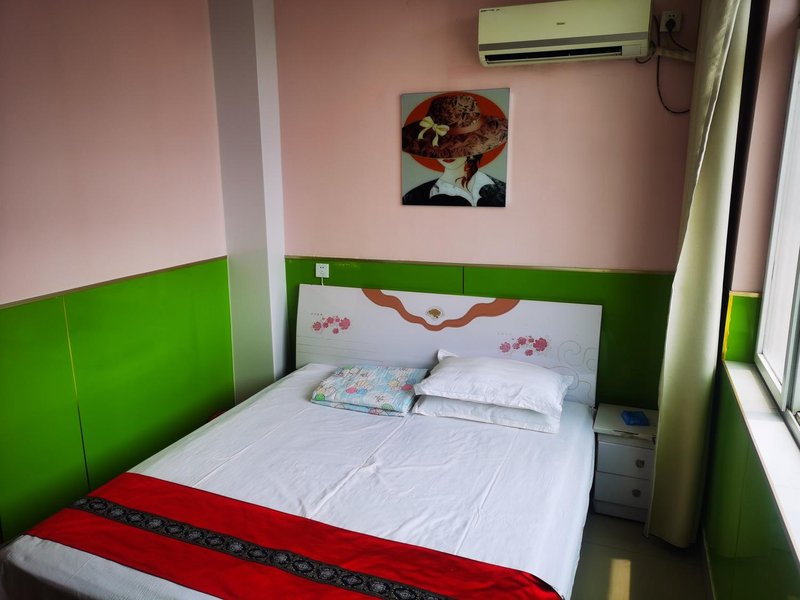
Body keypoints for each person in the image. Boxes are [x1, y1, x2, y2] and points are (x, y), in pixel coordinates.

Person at [401, 93, 508, 207]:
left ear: (473, 146)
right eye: (440, 145)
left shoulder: (503, 190)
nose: (447, 155)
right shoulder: (414, 197)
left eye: (456, 148)